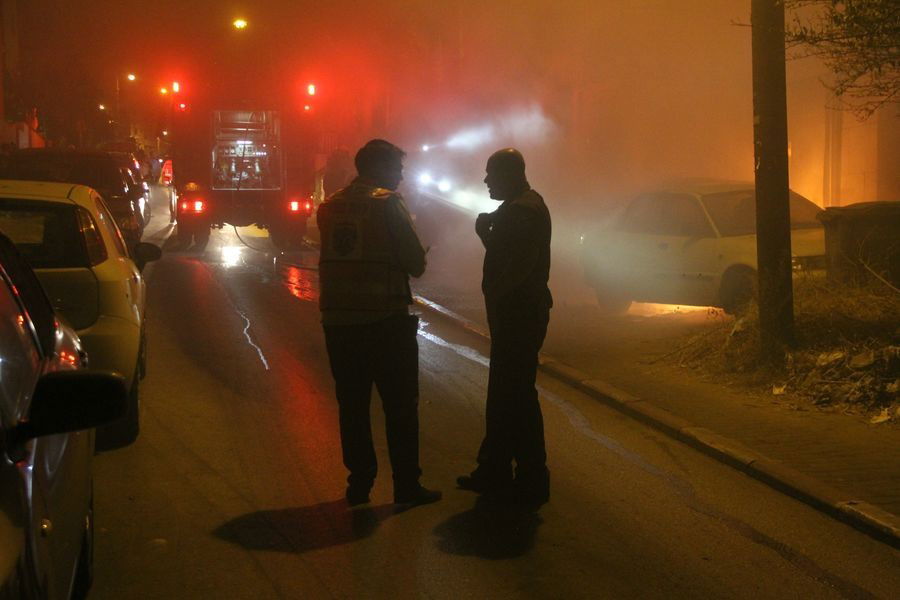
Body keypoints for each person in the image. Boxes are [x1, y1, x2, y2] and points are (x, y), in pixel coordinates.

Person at [317, 139, 441, 508]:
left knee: (353, 406)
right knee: (400, 406)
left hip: (339, 322)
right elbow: (415, 263)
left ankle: (359, 484)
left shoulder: (329, 205)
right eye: (397, 168)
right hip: (385, 321)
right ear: (380, 167)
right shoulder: (388, 203)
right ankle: (406, 485)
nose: (401, 176)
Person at [458, 148, 552, 506]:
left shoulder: (522, 210)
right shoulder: (521, 205)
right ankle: (498, 468)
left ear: (510, 174)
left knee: (515, 396)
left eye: (491, 174)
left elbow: (519, 264)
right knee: (507, 395)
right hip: (517, 313)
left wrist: (497, 293)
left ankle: (530, 476)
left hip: (519, 314)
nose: (486, 181)